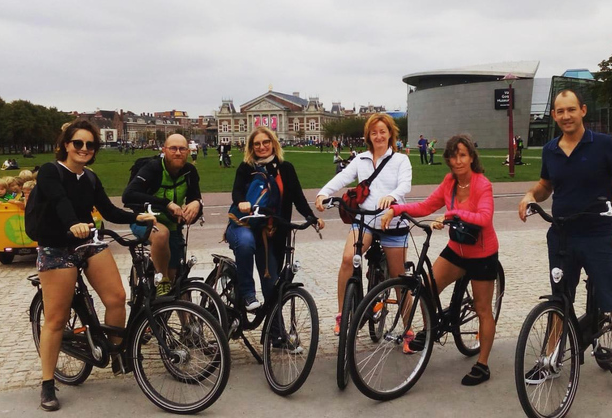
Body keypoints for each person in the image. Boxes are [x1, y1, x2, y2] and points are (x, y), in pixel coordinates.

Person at [517, 89, 612, 403]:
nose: (565, 116)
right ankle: (551, 360)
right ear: (554, 115)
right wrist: (530, 195)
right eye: (559, 111)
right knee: (560, 301)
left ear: (583, 111)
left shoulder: (603, 144)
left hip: (598, 234)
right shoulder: (550, 150)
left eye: (571, 109)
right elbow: (547, 185)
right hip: (561, 235)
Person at [34, 119, 155, 411]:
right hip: (56, 246)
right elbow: (60, 201)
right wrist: (72, 223)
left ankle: (115, 352)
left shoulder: (89, 177)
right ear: (66, 144)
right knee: (55, 319)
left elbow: (108, 209)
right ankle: (47, 383)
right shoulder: (52, 171)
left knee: (116, 298)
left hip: (87, 241)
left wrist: (135, 217)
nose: (84, 149)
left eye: (90, 144)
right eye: (78, 143)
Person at [382, 134, 499, 385]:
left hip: (482, 253)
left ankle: (483, 364)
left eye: (463, 155)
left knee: (483, 309)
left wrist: (452, 214)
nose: (458, 161)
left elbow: (485, 218)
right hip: (457, 249)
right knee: (427, 287)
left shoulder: (482, 184)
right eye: (453, 156)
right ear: (447, 159)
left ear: (471, 157)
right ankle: (431, 328)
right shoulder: (449, 182)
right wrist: (397, 209)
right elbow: (425, 206)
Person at [315, 113, 412, 338]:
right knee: (348, 259)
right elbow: (342, 178)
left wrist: (392, 196)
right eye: (374, 132)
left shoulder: (400, 160)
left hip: (392, 222)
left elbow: (404, 185)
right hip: (366, 221)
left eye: (382, 131)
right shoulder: (361, 159)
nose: (378, 136)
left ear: (390, 134)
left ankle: (408, 330)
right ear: (368, 135)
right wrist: (323, 193)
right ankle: (342, 313)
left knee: (399, 278)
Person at [226, 126, 324, 315]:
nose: (262, 147)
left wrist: (311, 217)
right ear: (251, 147)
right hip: (244, 224)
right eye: (257, 144)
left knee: (272, 285)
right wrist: (241, 202)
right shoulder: (247, 167)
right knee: (246, 244)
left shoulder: (285, 168)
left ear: (273, 143)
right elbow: (236, 192)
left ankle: (276, 335)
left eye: (266, 142)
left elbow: (297, 196)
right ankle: (247, 294)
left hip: (272, 232)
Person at [123, 134, 203, 295]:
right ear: (164, 150)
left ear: (188, 151)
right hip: (144, 220)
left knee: (177, 276)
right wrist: (166, 204)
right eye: (173, 148)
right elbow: (128, 195)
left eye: (182, 149)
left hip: (171, 223)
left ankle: (184, 317)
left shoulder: (189, 171)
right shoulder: (153, 168)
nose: (178, 153)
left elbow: (195, 197)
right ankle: (161, 279)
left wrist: (196, 203)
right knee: (161, 235)